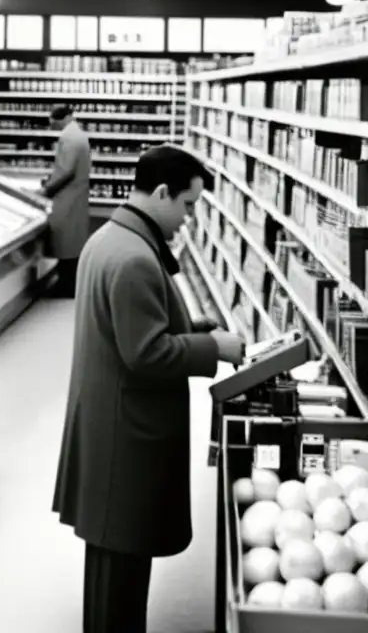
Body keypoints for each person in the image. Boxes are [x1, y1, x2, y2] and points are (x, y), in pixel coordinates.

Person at [51, 144, 246, 633]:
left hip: (106, 420)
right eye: (187, 205)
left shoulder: (109, 239)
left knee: (110, 564)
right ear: (161, 192)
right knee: (123, 572)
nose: (188, 219)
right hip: (127, 431)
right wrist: (215, 349)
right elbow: (146, 352)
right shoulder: (136, 257)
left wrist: (190, 326)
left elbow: (132, 326)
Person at [39, 104, 90, 298]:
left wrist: (47, 190)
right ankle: (68, 282)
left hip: (67, 197)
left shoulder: (69, 138)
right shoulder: (78, 134)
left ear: (61, 119)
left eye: (53, 124)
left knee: (64, 240)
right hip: (76, 195)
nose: (52, 127)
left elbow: (65, 170)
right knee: (73, 240)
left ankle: (67, 285)